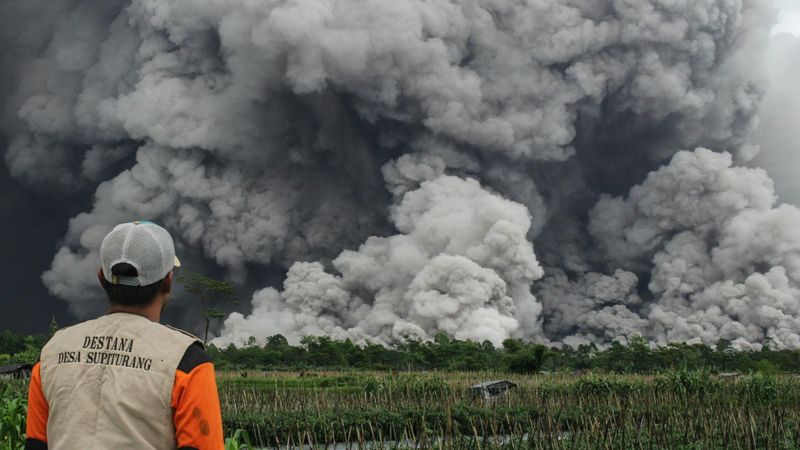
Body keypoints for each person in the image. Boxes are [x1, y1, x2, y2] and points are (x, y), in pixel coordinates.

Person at [25, 221, 224, 450]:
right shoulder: (187, 362)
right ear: (168, 282)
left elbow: (35, 444)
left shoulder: (52, 353)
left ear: (102, 278)